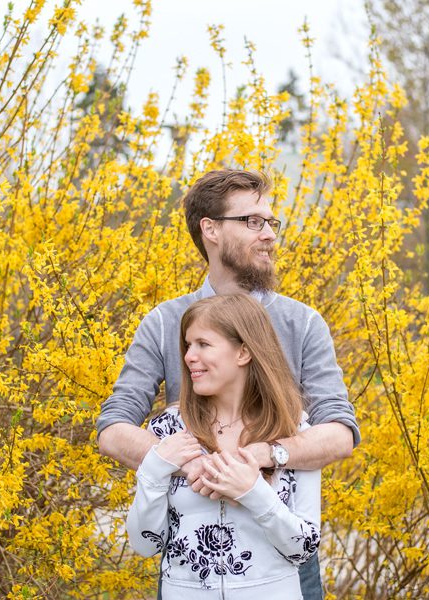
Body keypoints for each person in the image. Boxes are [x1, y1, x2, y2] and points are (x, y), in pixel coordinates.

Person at [97, 169, 360, 599]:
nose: (269, 235)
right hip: (190, 570)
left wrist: (262, 455)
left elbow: (339, 433)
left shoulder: (303, 323)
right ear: (211, 230)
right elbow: (113, 429)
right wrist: (191, 464)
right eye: (253, 221)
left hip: (282, 561)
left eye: (271, 223)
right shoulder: (165, 322)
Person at [127, 294, 320, 599]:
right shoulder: (168, 429)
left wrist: (252, 492)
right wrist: (154, 468)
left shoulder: (292, 431)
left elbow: (304, 547)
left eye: (203, 344)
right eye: (188, 345)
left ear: (243, 352)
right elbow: (145, 544)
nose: (189, 356)